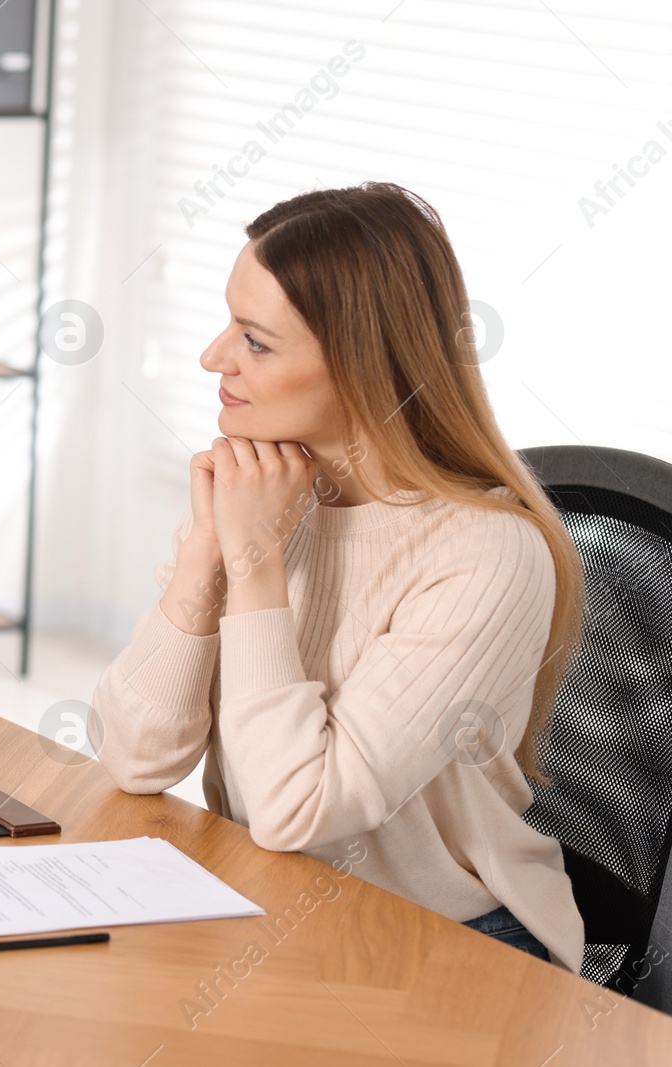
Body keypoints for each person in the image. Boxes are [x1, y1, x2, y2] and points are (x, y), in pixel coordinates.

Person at [91, 182, 585, 972]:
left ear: (360, 366)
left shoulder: (485, 553)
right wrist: (206, 558)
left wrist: (254, 568)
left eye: (255, 341)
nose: (213, 357)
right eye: (229, 323)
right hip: (278, 897)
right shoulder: (271, 496)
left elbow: (297, 808)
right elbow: (133, 754)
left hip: (453, 945)